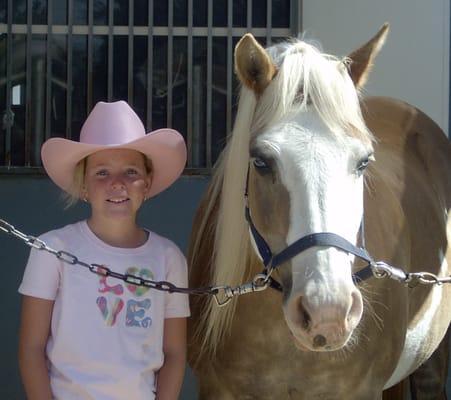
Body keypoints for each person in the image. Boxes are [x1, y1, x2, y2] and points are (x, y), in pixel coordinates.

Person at [18, 101, 190, 400]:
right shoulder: (52, 249)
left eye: (131, 172)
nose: (117, 184)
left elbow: (174, 352)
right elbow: (31, 348)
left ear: (146, 183)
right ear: (83, 185)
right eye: (102, 173)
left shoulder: (168, 257)